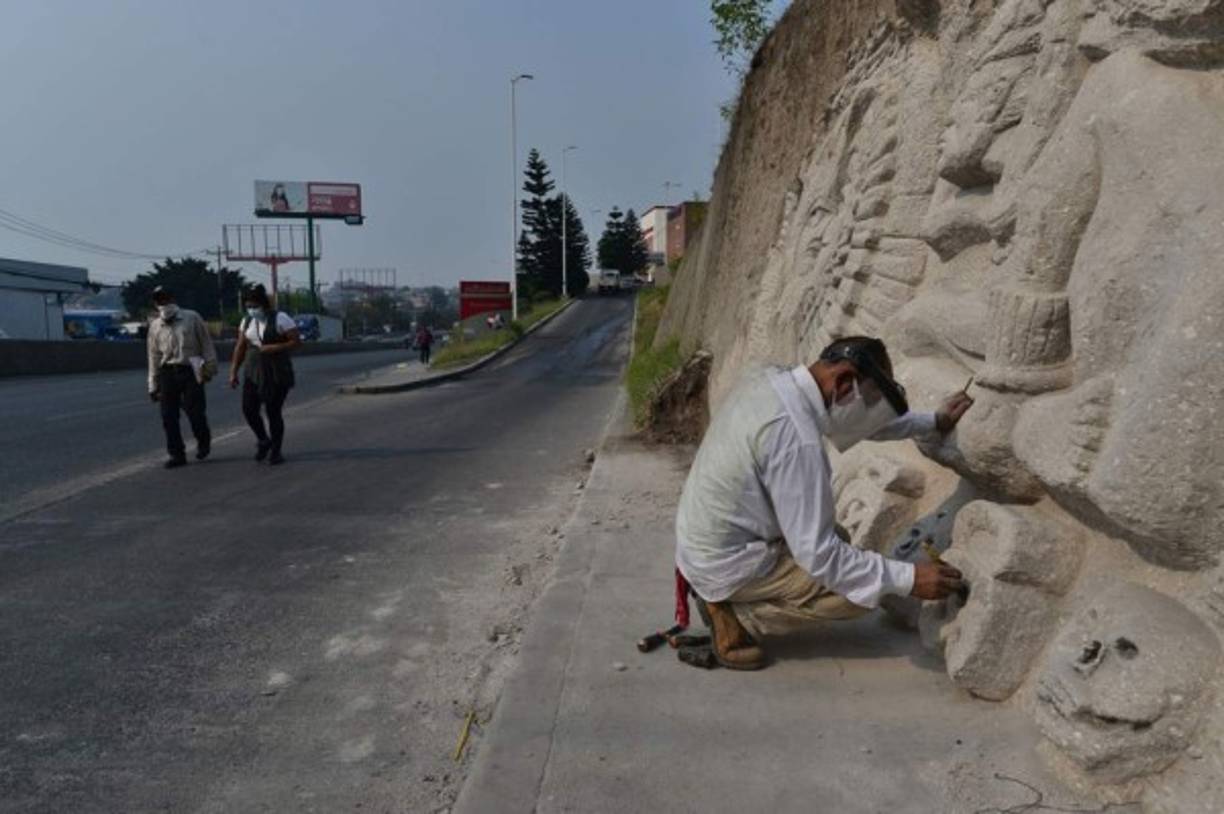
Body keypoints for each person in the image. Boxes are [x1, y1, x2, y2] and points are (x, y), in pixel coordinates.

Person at [675, 336, 974, 670]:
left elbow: (857, 423)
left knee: (845, 546)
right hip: (722, 562)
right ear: (845, 382)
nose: (871, 417)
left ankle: (730, 596)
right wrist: (909, 579)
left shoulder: (774, 379)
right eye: (872, 402)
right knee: (861, 593)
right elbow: (820, 555)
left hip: (703, 541)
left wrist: (933, 422)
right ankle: (738, 618)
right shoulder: (795, 439)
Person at [146, 286, 217, 469]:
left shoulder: (192, 317)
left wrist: (209, 367)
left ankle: (203, 441)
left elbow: (206, 344)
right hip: (167, 371)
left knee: (195, 412)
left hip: (192, 366)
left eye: (165, 298)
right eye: (159, 300)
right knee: (168, 416)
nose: (163, 303)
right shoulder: (155, 326)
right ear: (155, 303)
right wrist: (153, 385)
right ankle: (177, 454)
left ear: (172, 298)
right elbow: (153, 356)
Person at [228, 285, 301, 465]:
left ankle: (276, 451)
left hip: (277, 371)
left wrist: (276, 347)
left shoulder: (281, 318)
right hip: (253, 370)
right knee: (249, 409)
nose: (251, 310)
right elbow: (240, 347)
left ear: (263, 304)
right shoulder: (246, 322)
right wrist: (233, 372)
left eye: (254, 306)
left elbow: (296, 342)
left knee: (272, 411)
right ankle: (263, 439)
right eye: (248, 306)